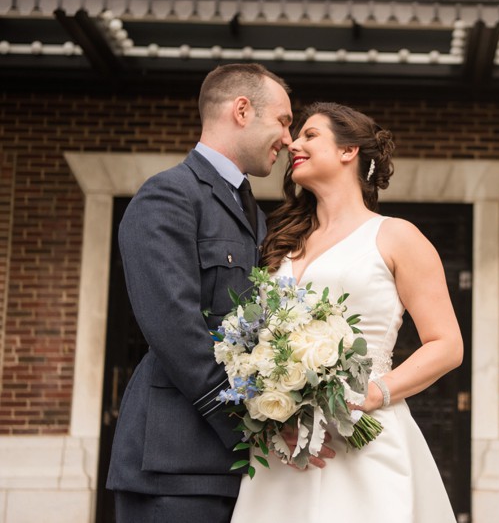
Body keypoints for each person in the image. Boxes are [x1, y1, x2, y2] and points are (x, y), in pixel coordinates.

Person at [106, 63, 332, 523]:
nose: (289, 140)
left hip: (240, 472)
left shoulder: (258, 217)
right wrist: (256, 427)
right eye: (285, 122)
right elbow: (176, 330)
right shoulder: (168, 197)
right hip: (174, 464)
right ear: (242, 110)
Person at [230, 102, 464, 523]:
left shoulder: (396, 236)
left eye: (309, 135)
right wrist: (279, 407)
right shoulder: (281, 243)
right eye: (295, 136)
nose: (292, 144)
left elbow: (447, 345)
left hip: (363, 436)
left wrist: (372, 394)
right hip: (287, 446)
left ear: (348, 151)